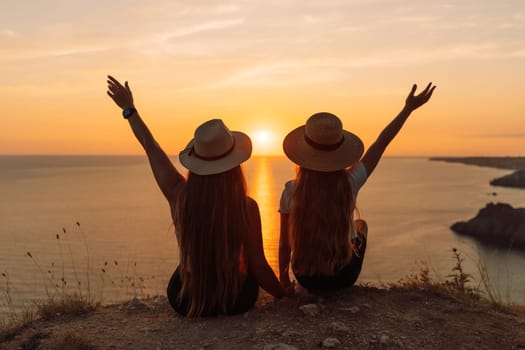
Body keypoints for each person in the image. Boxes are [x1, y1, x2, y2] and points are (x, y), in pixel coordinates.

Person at [106, 75, 286, 317]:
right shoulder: (246, 208)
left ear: (197, 163)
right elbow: (259, 266)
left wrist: (129, 110)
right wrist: (285, 294)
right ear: (234, 166)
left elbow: (151, 146)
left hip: (185, 298)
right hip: (234, 299)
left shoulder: (179, 196)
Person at [278, 83, 436, 293]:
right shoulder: (349, 183)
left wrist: (284, 280)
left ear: (304, 154)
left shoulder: (291, 190)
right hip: (344, 277)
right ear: (339, 151)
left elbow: (284, 245)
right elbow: (381, 143)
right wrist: (407, 109)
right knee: (360, 224)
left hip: (306, 277)